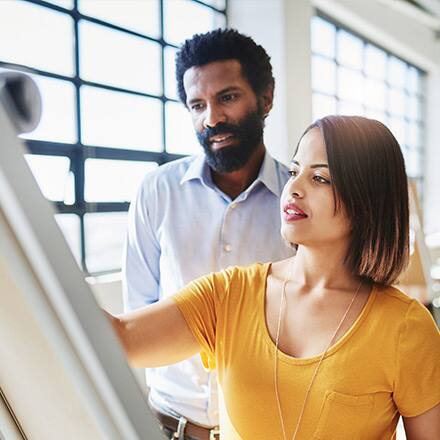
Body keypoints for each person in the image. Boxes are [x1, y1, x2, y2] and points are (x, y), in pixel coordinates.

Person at [113, 115, 440, 439]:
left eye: (320, 179)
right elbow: (122, 337)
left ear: (366, 200)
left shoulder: (406, 329)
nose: (293, 188)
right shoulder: (229, 294)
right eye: (295, 171)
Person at [122, 29, 294, 439]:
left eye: (228, 97)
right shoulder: (156, 191)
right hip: (169, 426)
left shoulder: (301, 199)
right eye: (197, 104)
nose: (211, 119)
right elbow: (139, 318)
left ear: (265, 99)